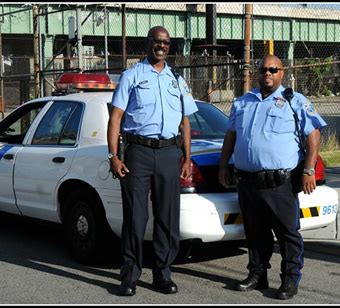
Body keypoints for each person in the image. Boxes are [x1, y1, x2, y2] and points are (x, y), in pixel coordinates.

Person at [218, 55, 327, 300]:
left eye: (272, 69)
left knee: (288, 233)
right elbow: (231, 135)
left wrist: (309, 170)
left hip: (280, 183)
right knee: (255, 233)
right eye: (263, 69)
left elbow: (314, 135)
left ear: (282, 73)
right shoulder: (243, 102)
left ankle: (290, 279)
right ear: (257, 73)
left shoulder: (294, 101)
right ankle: (257, 274)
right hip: (247, 181)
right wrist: (223, 165)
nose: (267, 73)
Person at [107, 26, 198, 296]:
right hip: (139, 152)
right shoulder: (132, 75)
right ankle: (130, 275)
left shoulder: (177, 79)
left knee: (167, 218)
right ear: (148, 43)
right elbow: (115, 118)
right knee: (135, 217)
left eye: (166, 43)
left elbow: (185, 122)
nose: (161, 46)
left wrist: (187, 158)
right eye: (157, 41)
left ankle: (162, 273)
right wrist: (113, 155)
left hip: (170, 153)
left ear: (170, 47)